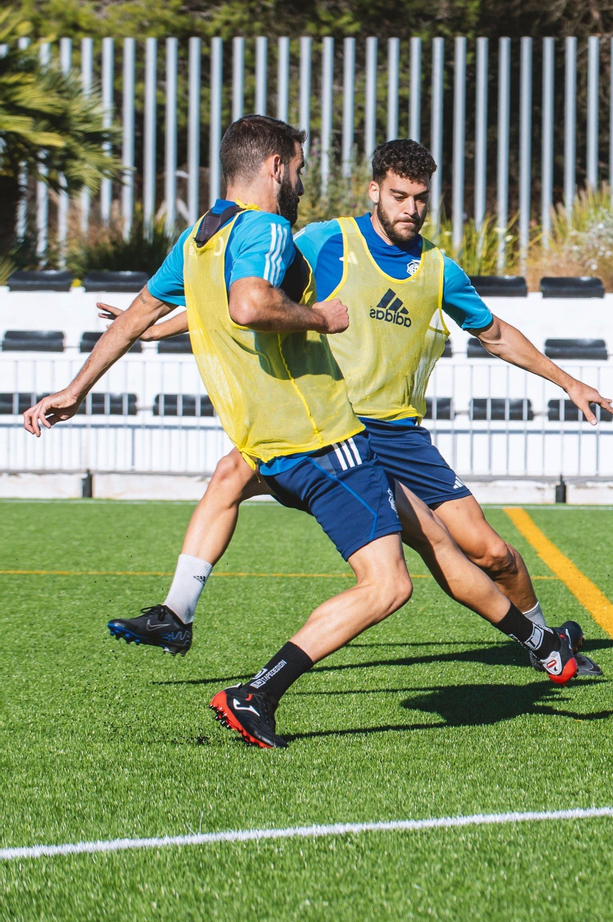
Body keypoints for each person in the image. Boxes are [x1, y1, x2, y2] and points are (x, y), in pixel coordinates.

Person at [23, 116, 578, 748]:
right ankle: (257, 692)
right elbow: (249, 304)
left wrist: (76, 388)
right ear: (276, 167)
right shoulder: (268, 227)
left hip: (274, 443)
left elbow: (139, 316)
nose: (303, 179)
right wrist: (322, 317)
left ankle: (542, 643)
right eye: (301, 167)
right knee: (389, 584)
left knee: (432, 538)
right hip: (323, 437)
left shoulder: (200, 237)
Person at [103, 140, 612, 678]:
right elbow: (254, 294)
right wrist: (160, 328)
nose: (410, 209)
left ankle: (543, 639)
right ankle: (176, 611)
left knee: (491, 554)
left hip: (400, 435)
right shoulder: (325, 242)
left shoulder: (438, 268)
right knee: (231, 472)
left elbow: (496, 334)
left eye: (420, 198)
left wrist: (568, 381)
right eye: (398, 196)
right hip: (331, 426)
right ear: (374, 191)